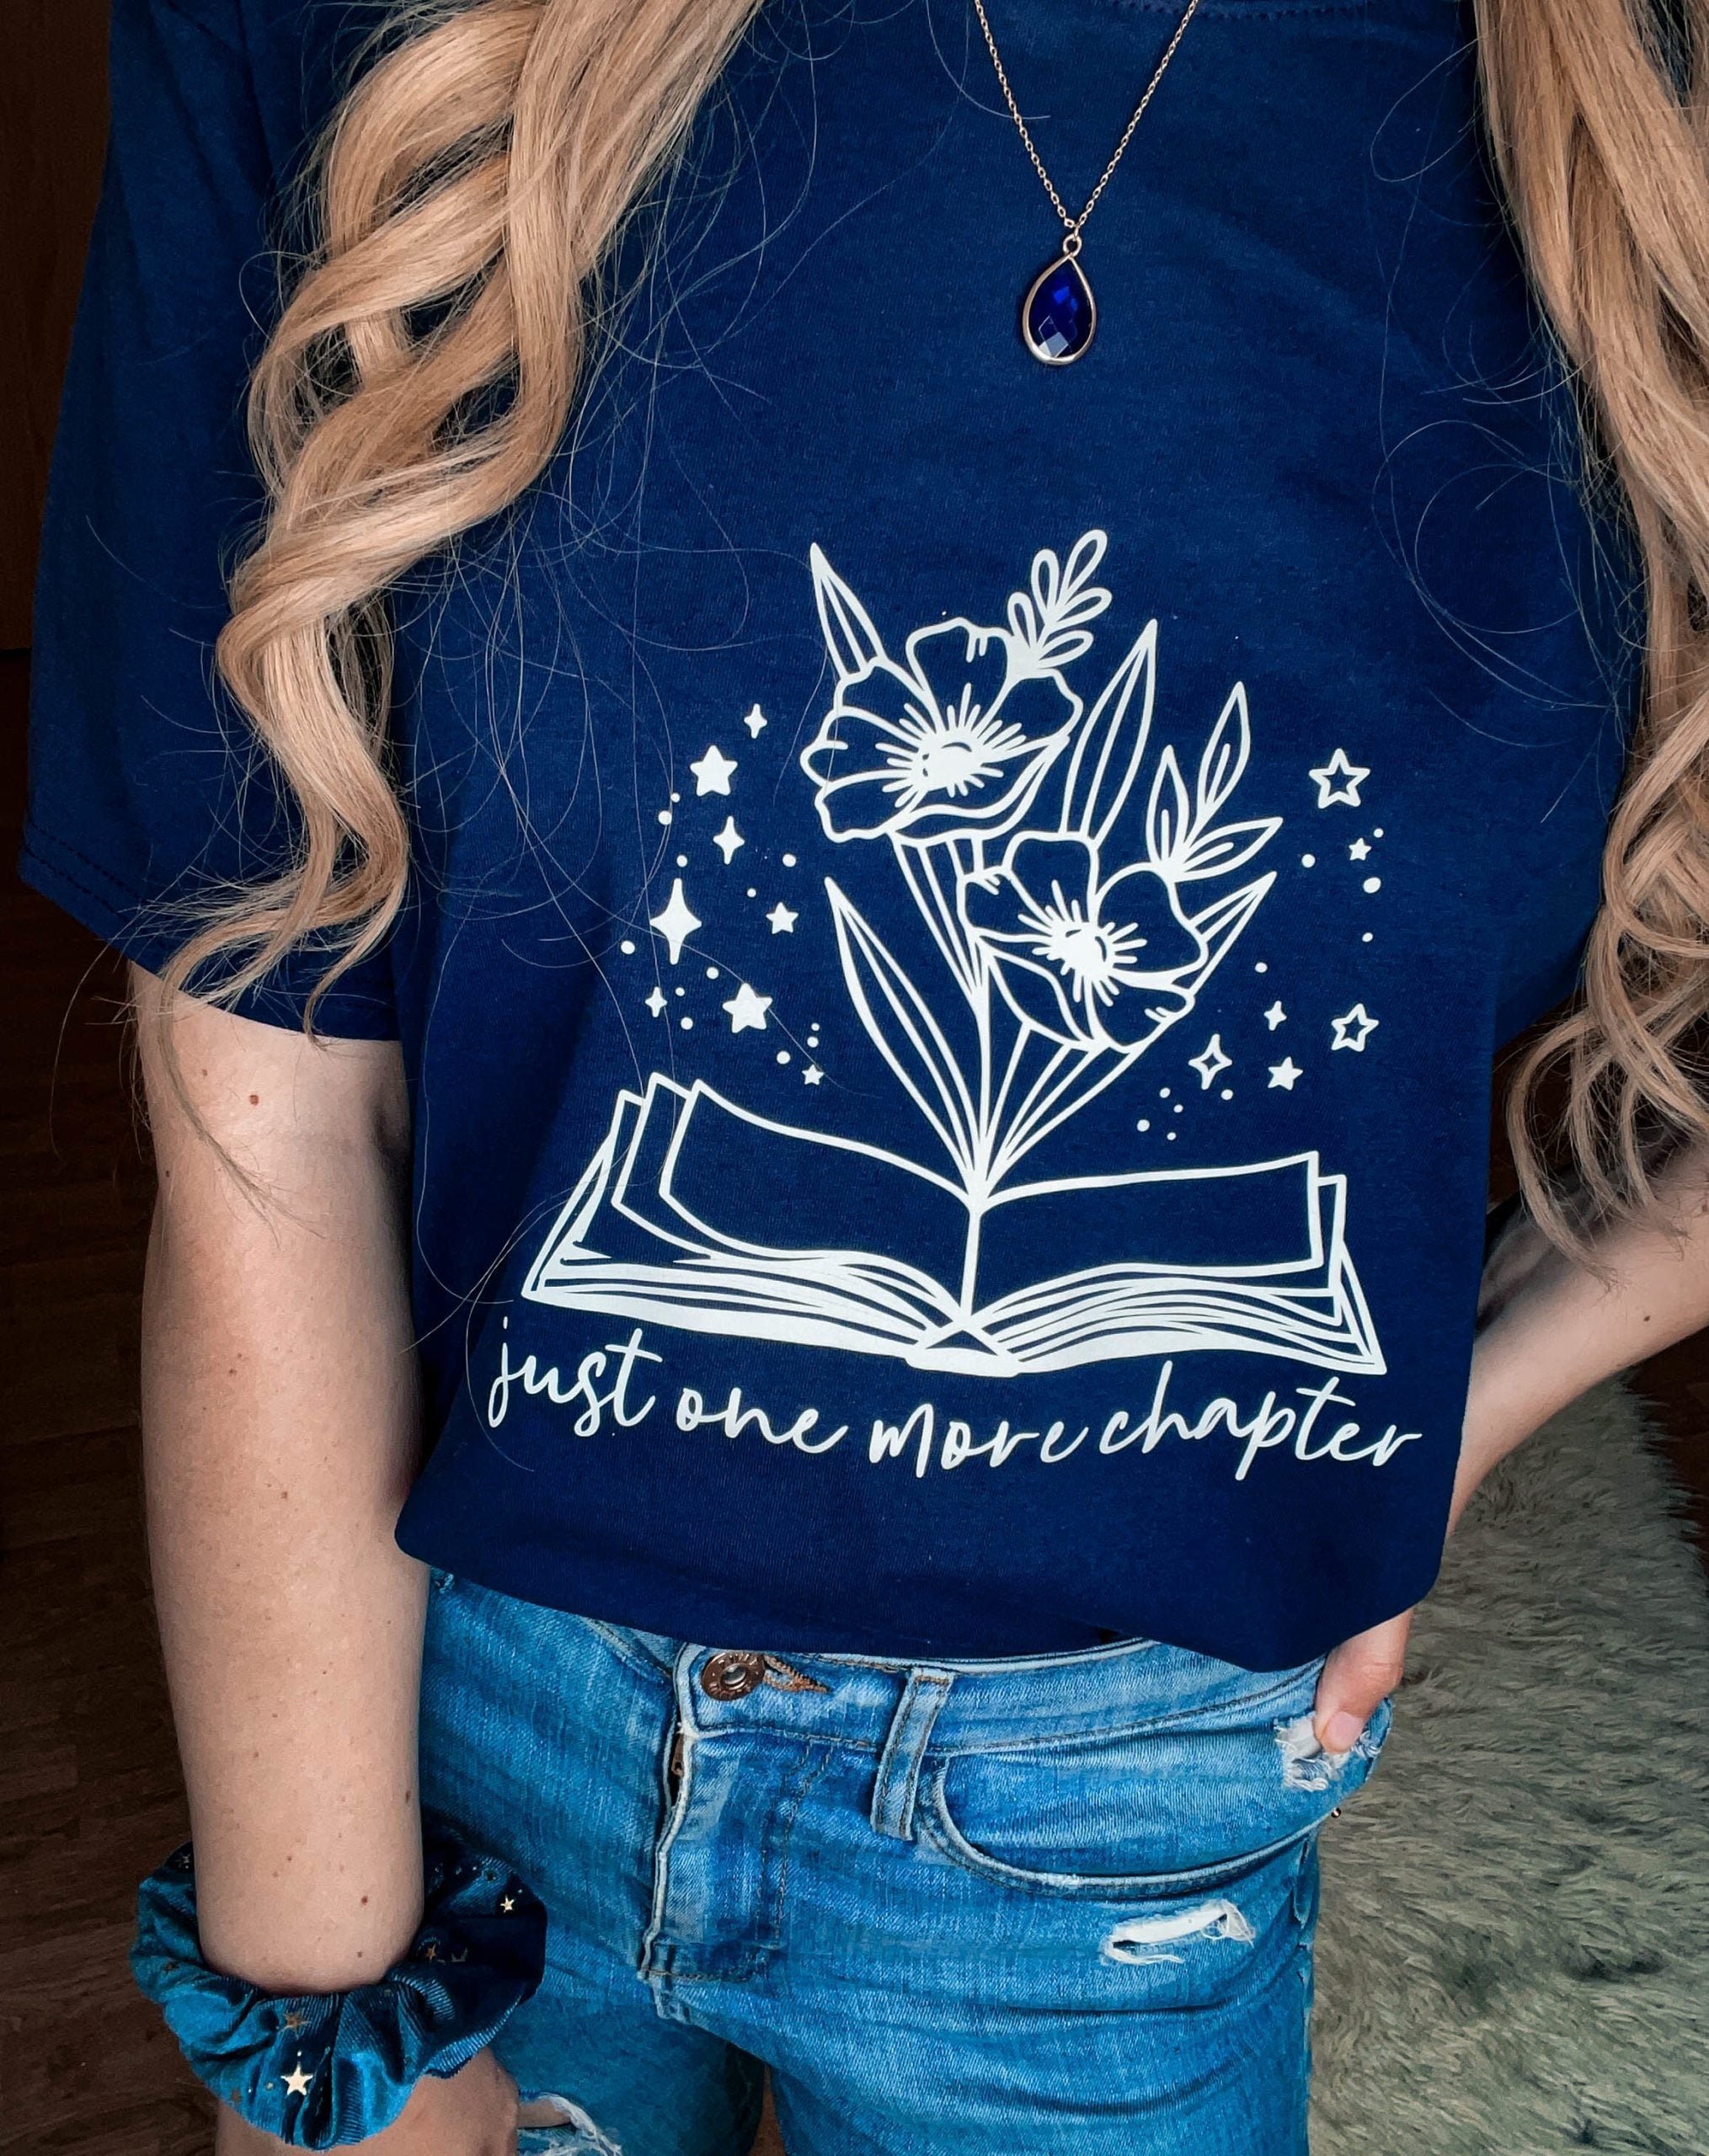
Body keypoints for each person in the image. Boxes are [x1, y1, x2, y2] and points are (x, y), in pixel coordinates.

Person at [22, 0, 1709, 2147]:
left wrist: (1474, 1403)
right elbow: (266, 1109)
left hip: (1119, 1815)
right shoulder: (376, 43)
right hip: (464, 1691)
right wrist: (334, 2043)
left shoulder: (1638, 95)